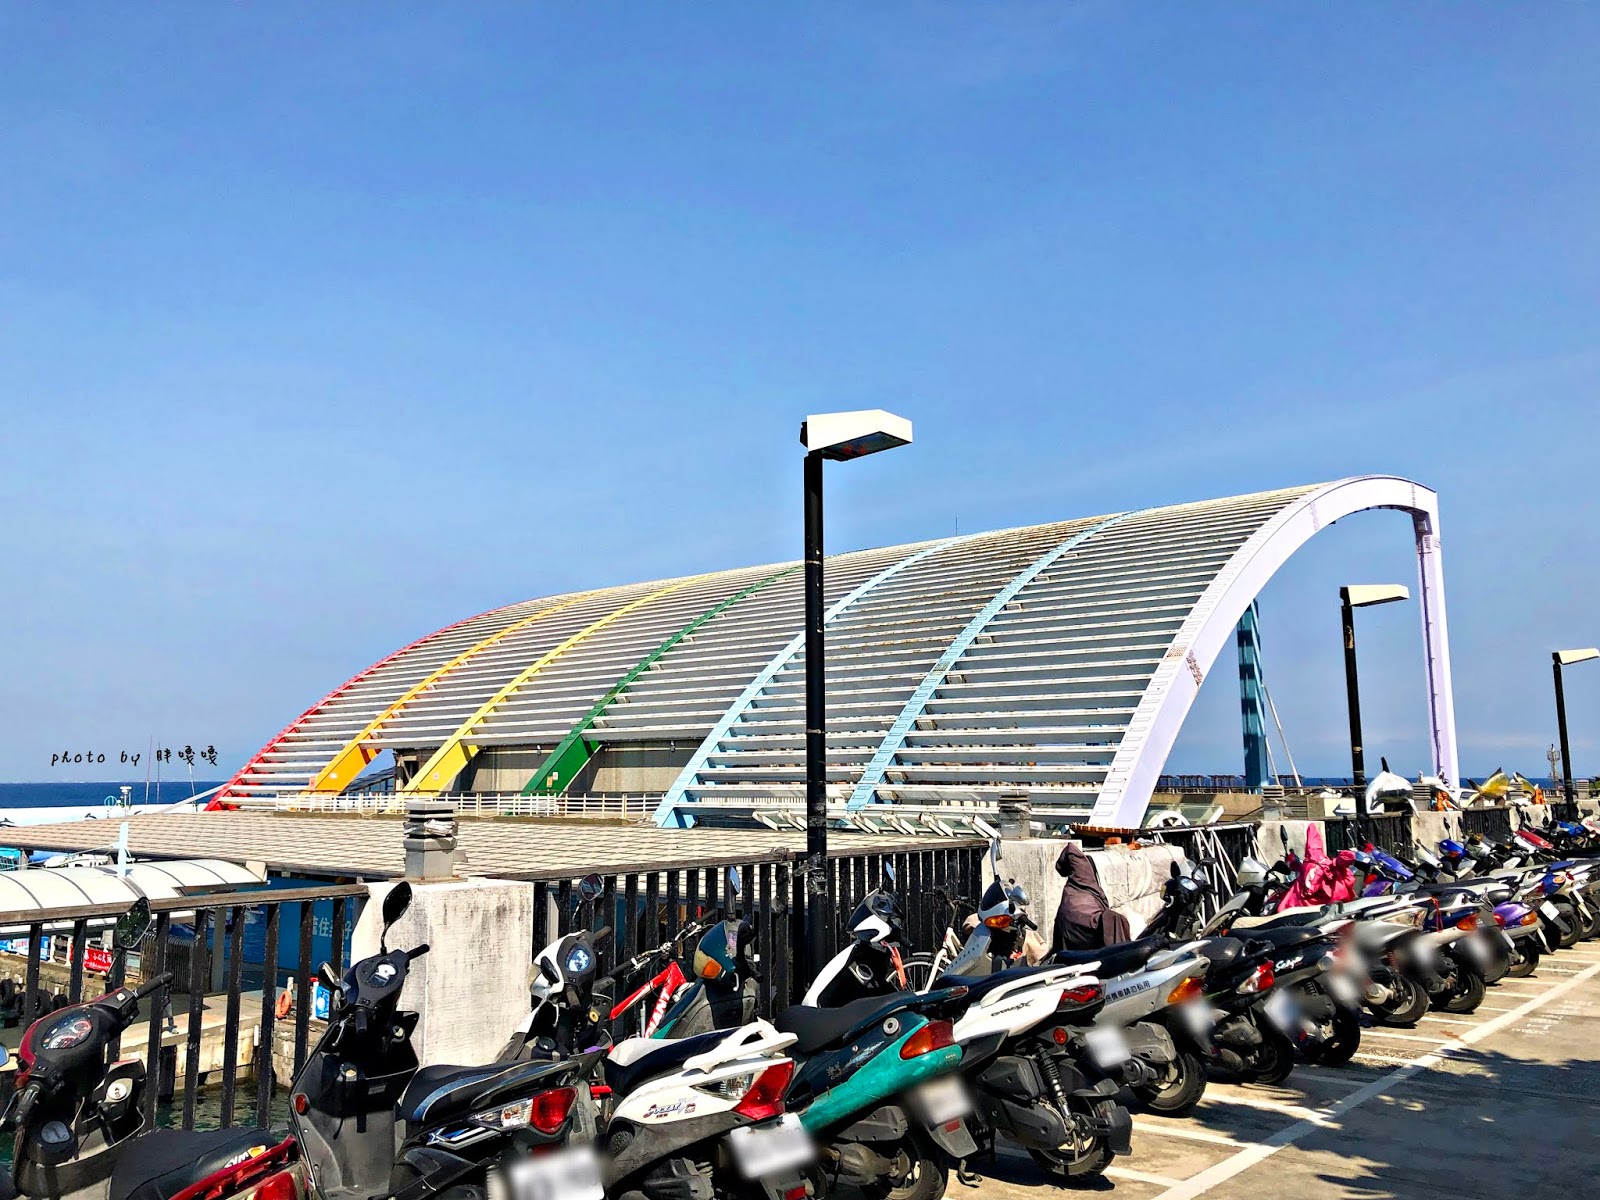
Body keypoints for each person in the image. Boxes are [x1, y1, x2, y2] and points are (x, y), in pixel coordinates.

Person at [1052, 843, 1131, 952]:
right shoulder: (1073, 895)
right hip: (1077, 951)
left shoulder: (1072, 892)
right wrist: (1109, 919)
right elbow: (1083, 918)